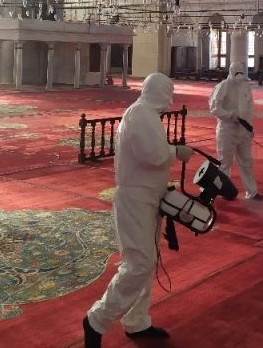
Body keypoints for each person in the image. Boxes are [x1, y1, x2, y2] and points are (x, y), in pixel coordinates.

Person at [83, 73, 194, 348]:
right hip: (135, 199)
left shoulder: (147, 114)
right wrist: (176, 152)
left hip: (149, 196)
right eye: (168, 95)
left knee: (147, 260)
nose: (169, 102)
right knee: (139, 262)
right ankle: (96, 319)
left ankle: (136, 321)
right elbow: (154, 155)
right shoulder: (140, 114)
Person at [208, 61, 263, 200]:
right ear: (231, 72)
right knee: (225, 162)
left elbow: (249, 108)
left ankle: (252, 191)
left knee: (247, 161)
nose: (239, 75)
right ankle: (223, 191)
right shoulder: (223, 86)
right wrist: (230, 115)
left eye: (241, 72)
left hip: (243, 130)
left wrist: (249, 127)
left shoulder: (245, 86)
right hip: (227, 130)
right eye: (237, 72)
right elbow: (215, 108)